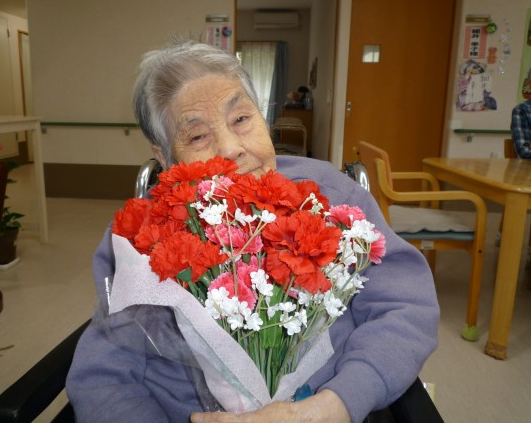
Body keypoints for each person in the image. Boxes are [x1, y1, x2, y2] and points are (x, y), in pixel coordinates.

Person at [66, 40, 440, 423]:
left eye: (241, 119)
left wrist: (338, 403)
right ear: (164, 156)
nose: (231, 148)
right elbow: (104, 374)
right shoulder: (140, 239)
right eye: (197, 137)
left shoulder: (332, 198)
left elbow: (405, 307)